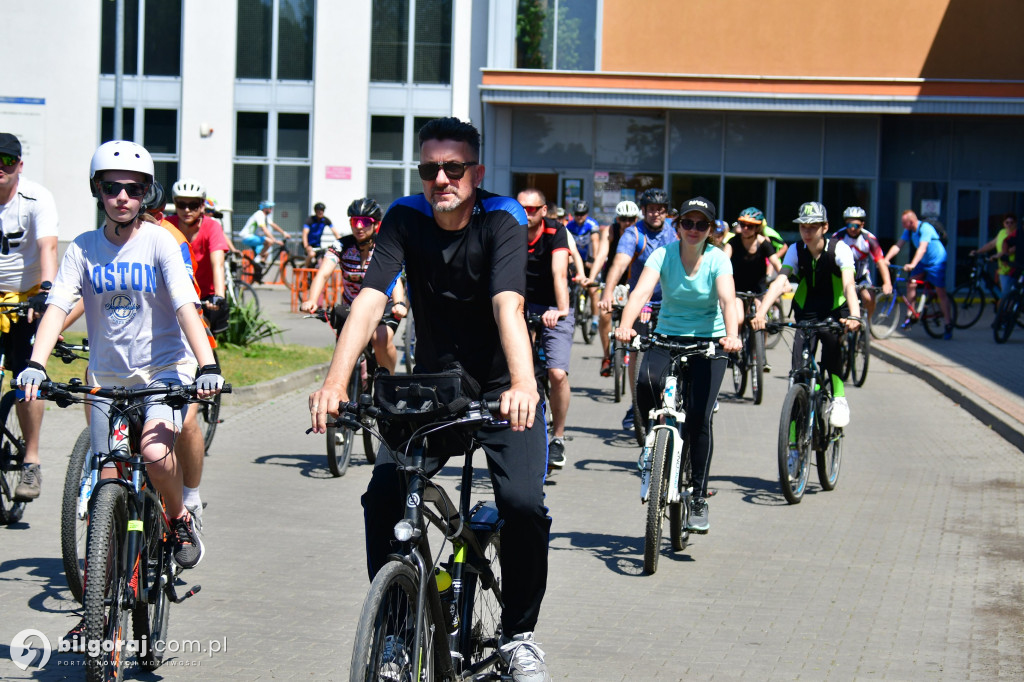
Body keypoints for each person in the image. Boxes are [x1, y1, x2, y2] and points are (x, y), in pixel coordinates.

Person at [308, 117, 552, 681]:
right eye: (429, 169)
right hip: (434, 391)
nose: (441, 178)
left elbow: (507, 306)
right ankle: (395, 628)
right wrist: (335, 382)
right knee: (382, 497)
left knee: (522, 507)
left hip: (501, 391)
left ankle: (518, 635)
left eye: (454, 168)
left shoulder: (503, 218)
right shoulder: (404, 217)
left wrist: (522, 385)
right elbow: (370, 301)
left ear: (477, 172)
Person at [16, 140, 223, 570]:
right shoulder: (85, 248)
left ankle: (180, 516)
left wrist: (206, 364)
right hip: (107, 379)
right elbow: (57, 309)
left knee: (152, 454)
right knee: (107, 478)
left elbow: (186, 306)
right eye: (112, 188)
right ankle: (103, 605)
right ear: (98, 190)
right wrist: (36, 362)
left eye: (133, 188)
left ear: (146, 191)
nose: (122, 197)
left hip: (164, 371)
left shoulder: (161, 243)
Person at [614, 197, 741, 533]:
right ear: (677, 225)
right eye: (688, 223)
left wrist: (732, 335)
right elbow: (640, 293)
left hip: (710, 342)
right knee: (645, 383)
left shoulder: (718, 260)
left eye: (701, 224)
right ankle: (653, 449)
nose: (694, 230)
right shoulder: (663, 254)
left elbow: (728, 300)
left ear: (710, 230)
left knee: (700, 418)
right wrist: (626, 326)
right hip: (667, 335)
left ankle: (698, 497)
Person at [752, 201, 862, 428]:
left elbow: (849, 285)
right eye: (803, 226)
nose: (807, 231)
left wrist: (855, 315)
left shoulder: (839, 249)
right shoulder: (795, 250)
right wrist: (761, 312)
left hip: (834, 310)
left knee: (832, 344)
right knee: (798, 372)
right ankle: (793, 441)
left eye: (813, 226)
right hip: (807, 310)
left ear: (825, 227)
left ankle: (839, 398)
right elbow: (780, 280)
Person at [0, 132, 58, 502]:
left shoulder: (37, 198)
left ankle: (31, 461)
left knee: (27, 379)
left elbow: (48, 246)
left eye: (6, 162)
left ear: (18, 165)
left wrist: (47, 289)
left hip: (26, 300)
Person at [598, 188, 679, 432]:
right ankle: (636, 404)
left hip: (668, 302)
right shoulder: (634, 233)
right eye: (651, 209)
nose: (656, 214)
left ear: (666, 212)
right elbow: (620, 262)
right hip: (640, 300)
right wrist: (607, 293)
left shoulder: (673, 233)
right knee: (635, 349)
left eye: (661, 210)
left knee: (674, 351)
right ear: (643, 211)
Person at [298, 197, 406, 372]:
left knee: (380, 340)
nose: (359, 226)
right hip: (352, 306)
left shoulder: (384, 247)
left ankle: (390, 381)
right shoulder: (341, 245)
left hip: (383, 307)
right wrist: (311, 300)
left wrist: (399, 303)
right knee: (345, 348)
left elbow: (394, 279)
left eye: (365, 221)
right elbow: (324, 273)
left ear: (376, 224)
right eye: (355, 221)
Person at [518, 188, 572, 470]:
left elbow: (559, 273)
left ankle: (559, 436)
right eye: (522, 208)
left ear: (543, 210)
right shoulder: (510, 228)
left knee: (557, 372)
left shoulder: (555, 231)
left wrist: (560, 309)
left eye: (532, 209)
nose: (526, 214)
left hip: (554, 304)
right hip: (521, 304)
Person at [884, 210, 953, 339]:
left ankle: (948, 324)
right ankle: (911, 315)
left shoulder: (925, 228)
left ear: (911, 222)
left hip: (937, 261)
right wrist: (886, 259)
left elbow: (922, 248)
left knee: (940, 292)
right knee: (911, 283)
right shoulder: (909, 231)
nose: (903, 225)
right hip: (923, 261)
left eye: (904, 223)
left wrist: (913, 264)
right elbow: (898, 245)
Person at [591, 199, 640, 376]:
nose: (627, 223)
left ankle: (632, 352)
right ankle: (606, 356)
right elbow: (602, 254)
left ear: (636, 219)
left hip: (634, 281)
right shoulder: (610, 231)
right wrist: (591, 278)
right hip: (613, 279)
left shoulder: (639, 232)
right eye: (623, 219)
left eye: (631, 219)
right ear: (617, 219)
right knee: (605, 314)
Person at [829, 206, 893, 319]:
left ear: (862, 224)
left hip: (861, 276)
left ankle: (867, 323)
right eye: (849, 225)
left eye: (856, 226)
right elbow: (828, 258)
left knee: (869, 298)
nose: (852, 229)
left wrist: (887, 282)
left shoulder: (869, 239)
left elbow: (880, 261)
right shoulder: (838, 237)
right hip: (841, 276)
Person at [566, 200, 601, 333]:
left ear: (586, 214)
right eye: (577, 214)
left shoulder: (592, 224)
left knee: (592, 290)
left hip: (589, 259)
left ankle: (595, 320)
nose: (580, 216)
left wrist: (593, 260)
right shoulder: (569, 225)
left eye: (582, 214)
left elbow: (595, 242)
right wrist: (570, 262)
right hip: (576, 259)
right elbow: (566, 245)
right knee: (571, 287)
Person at [971, 213, 1018, 297]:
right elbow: (991, 244)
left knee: (1006, 295)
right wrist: (978, 252)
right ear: (1003, 223)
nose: (1009, 225)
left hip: (1012, 268)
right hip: (1002, 267)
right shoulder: (1002, 232)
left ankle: (1004, 309)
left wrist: (997, 256)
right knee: (1003, 293)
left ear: (1015, 223)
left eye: (1012, 222)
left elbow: (1011, 250)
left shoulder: (1017, 235)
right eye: (1007, 222)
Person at [239, 200, 289, 266]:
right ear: (265, 208)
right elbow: (264, 229)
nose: (272, 209)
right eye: (270, 207)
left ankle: (257, 271)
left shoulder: (265, 217)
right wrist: (275, 241)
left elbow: (273, 225)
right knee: (269, 242)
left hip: (254, 237)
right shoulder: (259, 214)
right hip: (247, 236)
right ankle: (257, 259)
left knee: (265, 254)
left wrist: (284, 233)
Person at [301, 202, 338, 267]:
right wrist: (306, 246)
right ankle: (305, 270)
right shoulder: (310, 220)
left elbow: (335, 232)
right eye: (319, 210)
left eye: (322, 210)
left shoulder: (325, 220)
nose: (320, 212)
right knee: (311, 254)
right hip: (308, 244)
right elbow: (305, 234)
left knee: (323, 259)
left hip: (318, 245)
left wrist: (341, 243)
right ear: (315, 211)